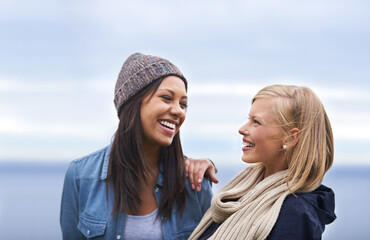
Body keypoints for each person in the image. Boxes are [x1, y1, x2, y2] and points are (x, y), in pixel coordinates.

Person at [60, 53, 218, 240]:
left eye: (183, 104)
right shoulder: (80, 176)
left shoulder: (194, 183)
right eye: (167, 98)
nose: (178, 111)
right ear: (133, 103)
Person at [190, 85, 337, 240]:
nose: (242, 129)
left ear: (290, 138)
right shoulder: (244, 189)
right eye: (249, 119)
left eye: (256, 122)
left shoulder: (295, 215)